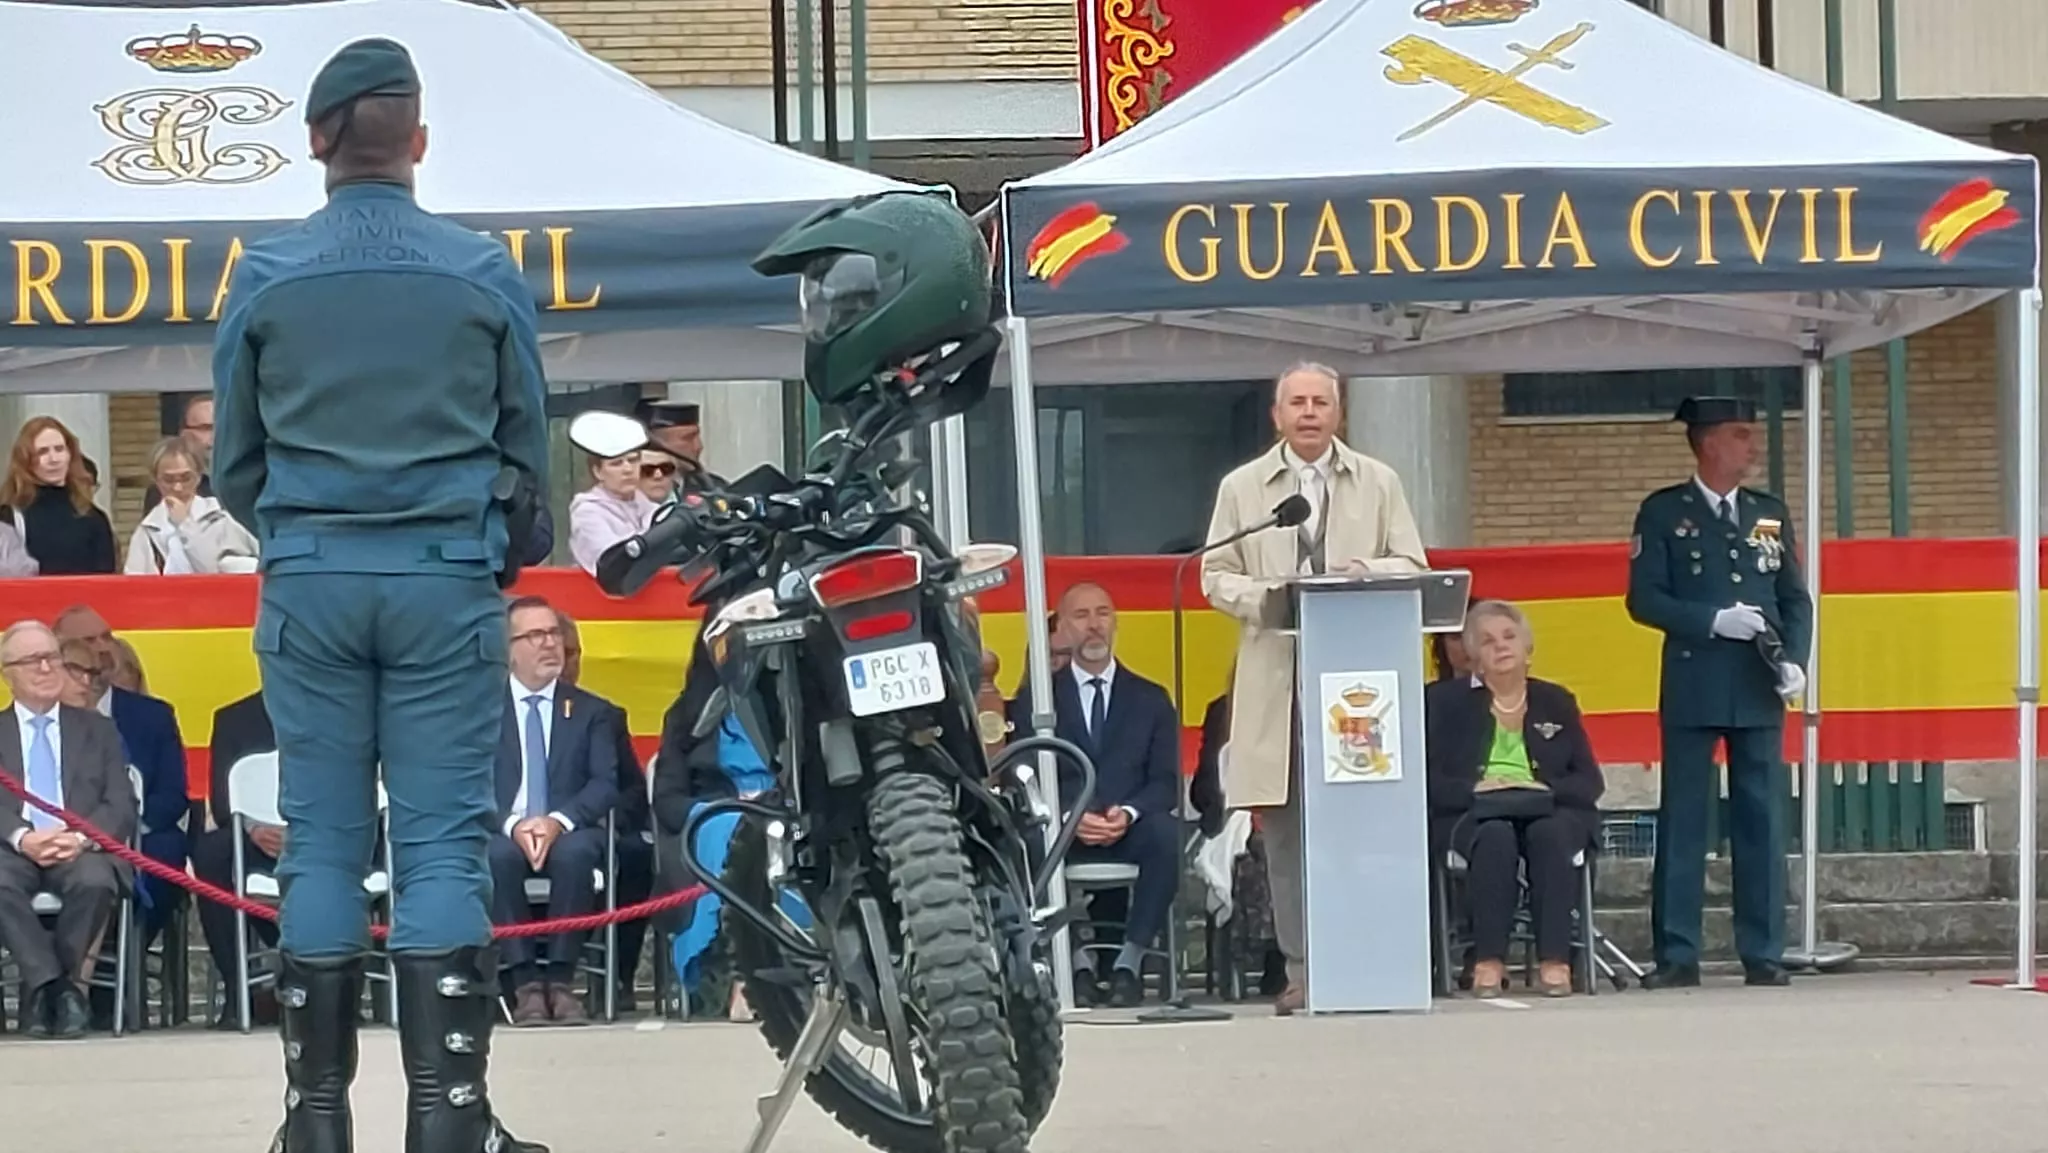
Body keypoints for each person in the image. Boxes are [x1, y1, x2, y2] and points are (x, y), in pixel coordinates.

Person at [210, 37, 550, 1153]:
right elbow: (524, 447)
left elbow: (236, 467)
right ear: (417, 143)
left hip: (311, 572)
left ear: (316, 141)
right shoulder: (480, 270)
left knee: (318, 840)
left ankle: (314, 1123)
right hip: (442, 575)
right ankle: (448, 1120)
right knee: (443, 846)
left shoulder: (263, 275)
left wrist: (306, 531)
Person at [1199, 361, 1428, 1015]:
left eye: (1319, 402)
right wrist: (1269, 598)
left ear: (1339, 412)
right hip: (1277, 677)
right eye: (1295, 402)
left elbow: (1414, 563)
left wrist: (1368, 571)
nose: (1307, 412)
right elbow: (1216, 572)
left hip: (1357, 682)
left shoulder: (1378, 481)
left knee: (1364, 824)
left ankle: (1369, 957)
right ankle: (1301, 968)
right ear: (1276, 415)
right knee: (1288, 831)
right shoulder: (1244, 487)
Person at [1625, 396, 1812, 990]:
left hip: (1757, 680)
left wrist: (1796, 661)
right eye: (1740, 435)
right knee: (1684, 818)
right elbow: (1645, 598)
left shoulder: (1767, 512)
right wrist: (1710, 620)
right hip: (1695, 676)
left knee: (1762, 819)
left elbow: (1793, 598)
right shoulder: (1663, 513)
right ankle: (1678, 953)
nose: (1751, 447)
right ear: (1708, 444)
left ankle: (1763, 951)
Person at [1009, 582, 1180, 1007]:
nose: (1093, 626)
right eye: (1081, 616)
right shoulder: (1037, 700)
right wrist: (1067, 815)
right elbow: (1023, 775)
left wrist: (1129, 811)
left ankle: (1129, 964)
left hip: (1128, 825)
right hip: (1064, 829)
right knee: (1028, 841)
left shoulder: (1151, 699)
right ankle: (1078, 965)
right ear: (1063, 627)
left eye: (1102, 614)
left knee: (1167, 836)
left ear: (1115, 623)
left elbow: (1166, 782)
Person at [1425, 601, 1604, 999]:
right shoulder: (1444, 703)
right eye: (1487, 642)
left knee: (1551, 835)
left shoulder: (1556, 701)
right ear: (1473, 657)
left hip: (1549, 806)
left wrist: (1548, 790)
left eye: (1509, 637)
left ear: (1527, 647)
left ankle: (1556, 961)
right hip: (1475, 811)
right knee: (1495, 839)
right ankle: (1488, 960)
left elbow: (1589, 781)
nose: (1501, 647)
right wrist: (1474, 789)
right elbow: (1430, 781)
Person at [0, 621, 135, 1040]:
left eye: (52, 657)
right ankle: (61, 991)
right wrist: (22, 837)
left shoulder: (97, 729)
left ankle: (46, 995)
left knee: (96, 880)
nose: (45, 668)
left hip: (80, 849)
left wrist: (78, 837)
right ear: (8, 672)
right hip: (12, 850)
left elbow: (121, 803)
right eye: (32, 660)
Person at [491, 596, 619, 1026]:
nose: (550, 644)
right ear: (507, 649)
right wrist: (513, 825)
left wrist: (556, 821)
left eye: (554, 634)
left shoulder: (592, 712)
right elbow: (467, 782)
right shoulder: (480, 711)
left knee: (576, 853)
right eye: (535, 636)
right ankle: (525, 985)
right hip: (501, 828)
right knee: (495, 856)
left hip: (569, 827)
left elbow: (606, 783)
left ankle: (562, 984)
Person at [125, 436, 260, 574]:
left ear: (199, 476)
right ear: (156, 480)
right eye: (168, 480)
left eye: (186, 478)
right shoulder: (147, 531)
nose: (177, 487)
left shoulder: (222, 518)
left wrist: (185, 525)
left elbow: (213, 570)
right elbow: (133, 582)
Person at [0, 417, 117, 575]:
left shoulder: (93, 517)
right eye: (42, 452)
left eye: (59, 449)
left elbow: (105, 582)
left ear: (70, 454)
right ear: (26, 460)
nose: (53, 459)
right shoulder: (9, 515)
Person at [568, 445, 656, 575]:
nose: (628, 469)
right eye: (616, 463)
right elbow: (611, 563)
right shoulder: (586, 512)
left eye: (633, 460)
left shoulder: (649, 506)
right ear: (598, 472)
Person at [143, 394, 219, 513]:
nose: (216, 435)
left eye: (222, 427)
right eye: (206, 428)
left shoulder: (245, 477)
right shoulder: (166, 486)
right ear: (185, 433)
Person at [636, 399, 725, 494]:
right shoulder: (630, 492)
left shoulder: (714, 487)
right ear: (655, 444)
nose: (698, 446)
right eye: (687, 439)